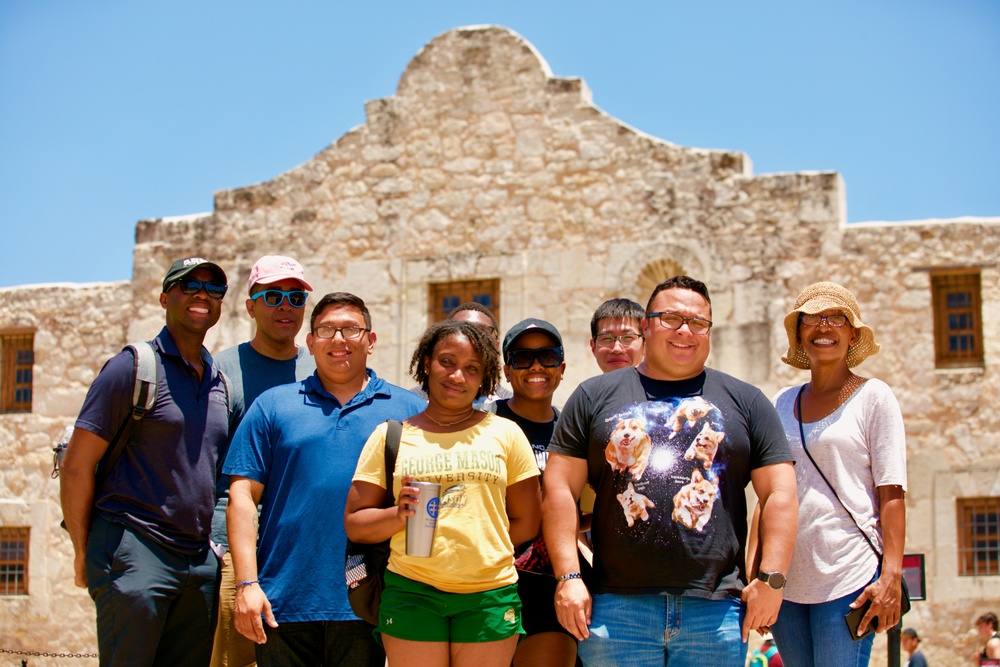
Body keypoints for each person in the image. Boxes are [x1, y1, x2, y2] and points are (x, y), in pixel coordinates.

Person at [542, 275, 798, 666]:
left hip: (715, 611)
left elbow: (780, 492)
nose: (685, 330)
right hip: (617, 610)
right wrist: (569, 578)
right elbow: (559, 488)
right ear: (645, 327)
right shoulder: (594, 396)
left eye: (698, 322)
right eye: (670, 318)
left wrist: (771, 580)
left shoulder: (747, 402)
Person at [223, 292, 425, 666]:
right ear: (310, 342)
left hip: (373, 600)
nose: (338, 339)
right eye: (327, 330)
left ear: (371, 340)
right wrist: (247, 584)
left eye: (351, 329)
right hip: (282, 601)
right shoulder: (272, 405)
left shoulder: (410, 411)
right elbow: (242, 496)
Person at [60, 256, 231, 666]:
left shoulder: (217, 380)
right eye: (189, 286)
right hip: (134, 547)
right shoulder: (132, 368)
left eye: (213, 288)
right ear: (164, 297)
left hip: (196, 559)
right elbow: (76, 466)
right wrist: (82, 552)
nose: (202, 295)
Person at [345, 319, 541, 667]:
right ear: (426, 363)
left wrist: (479, 546)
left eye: (472, 368)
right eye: (447, 362)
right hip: (411, 591)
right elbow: (356, 524)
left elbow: (527, 520)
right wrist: (398, 514)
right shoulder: (391, 435)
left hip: (489, 595)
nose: (457, 376)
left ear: (484, 377)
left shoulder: (506, 434)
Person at [768, 281, 907, 667]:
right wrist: (761, 572)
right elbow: (769, 493)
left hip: (849, 576)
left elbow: (892, 490)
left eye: (836, 319)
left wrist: (891, 575)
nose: (823, 327)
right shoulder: (780, 402)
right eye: (812, 318)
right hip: (788, 579)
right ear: (799, 333)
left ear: (852, 334)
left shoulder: (874, 397)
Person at [210, 255, 316, 667]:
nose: (285, 305)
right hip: (237, 553)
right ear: (250, 305)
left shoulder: (321, 368)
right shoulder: (220, 371)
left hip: (300, 551)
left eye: (295, 296)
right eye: (272, 296)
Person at [493, 319, 577, 667]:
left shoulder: (573, 433)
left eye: (547, 355)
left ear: (562, 367)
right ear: (507, 371)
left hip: (549, 589)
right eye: (523, 358)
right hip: (489, 585)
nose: (537, 366)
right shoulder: (486, 425)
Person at [410, 302, 513, 406]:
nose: (471, 338)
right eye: (459, 329)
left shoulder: (512, 411)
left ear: (496, 345)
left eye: (481, 332)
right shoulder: (408, 407)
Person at [589, 298, 645, 374]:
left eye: (628, 337)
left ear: (645, 345)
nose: (617, 349)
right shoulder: (586, 386)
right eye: (607, 339)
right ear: (593, 347)